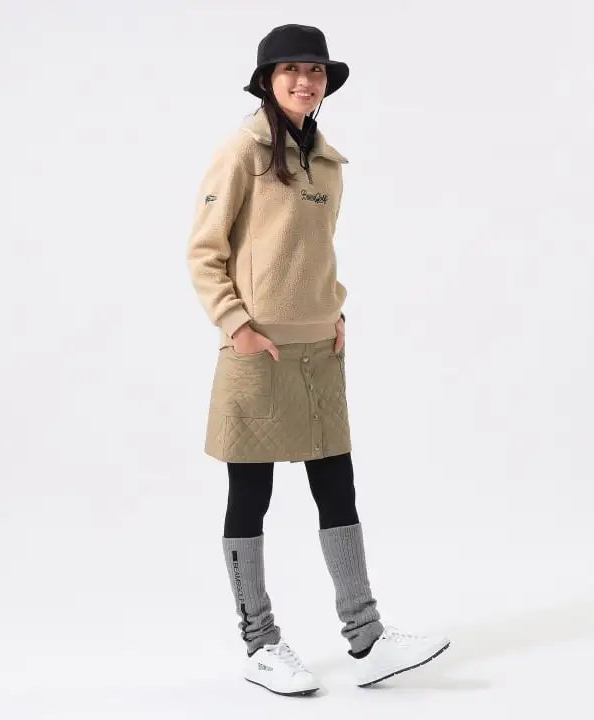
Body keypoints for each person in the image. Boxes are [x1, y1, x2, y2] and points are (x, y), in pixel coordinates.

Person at [186, 24, 450, 695]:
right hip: (256, 349)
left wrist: (334, 312)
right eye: (291, 70)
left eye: (316, 71)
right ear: (266, 80)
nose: (305, 81)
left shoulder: (327, 163)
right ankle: (260, 644)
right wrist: (238, 325)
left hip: (319, 350)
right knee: (252, 494)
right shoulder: (240, 151)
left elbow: (312, 252)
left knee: (338, 487)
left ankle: (367, 637)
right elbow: (205, 252)